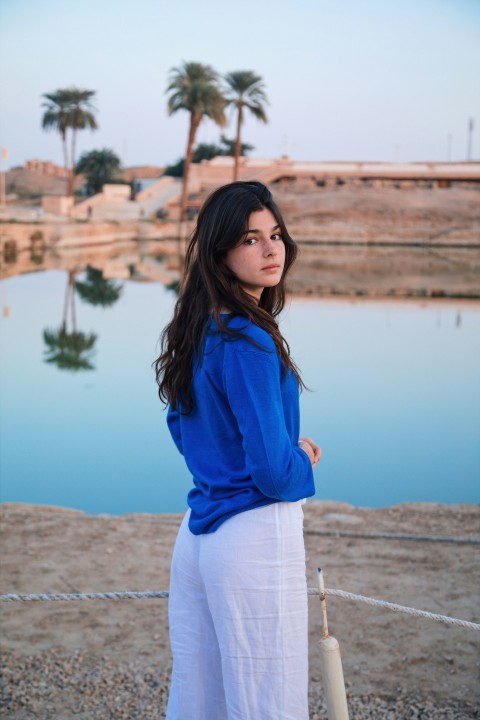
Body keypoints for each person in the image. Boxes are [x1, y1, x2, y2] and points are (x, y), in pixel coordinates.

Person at [155, 181, 321, 720]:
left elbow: (182, 429)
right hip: (252, 536)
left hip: (200, 534)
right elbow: (274, 473)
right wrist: (302, 459)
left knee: (202, 697)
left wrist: (235, 463)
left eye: (275, 235)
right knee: (266, 702)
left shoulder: (199, 328)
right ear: (222, 251)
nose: (272, 250)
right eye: (251, 239)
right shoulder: (247, 337)